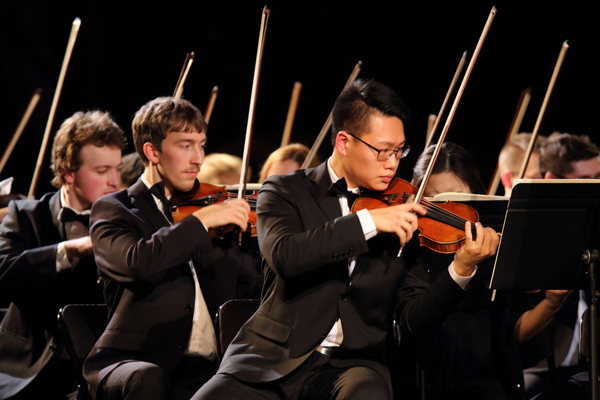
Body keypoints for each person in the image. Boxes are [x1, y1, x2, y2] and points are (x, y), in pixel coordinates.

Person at [193, 79, 499, 400]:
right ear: (343, 142)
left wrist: (461, 268)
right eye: (382, 150)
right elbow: (285, 254)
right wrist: (367, 222)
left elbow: (414, 320)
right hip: (270, 360)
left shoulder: (403, 210)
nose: (393, 163)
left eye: (400, 151)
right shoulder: (284, 190)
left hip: (352, 368)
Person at [82, 97, 263, 400]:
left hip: (212, 365)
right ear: (152, 151)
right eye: (185, 145)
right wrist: (201, 221)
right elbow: (138, 262)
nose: (198, 159)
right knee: (148, 377)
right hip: (136, 359)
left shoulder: (212, 211)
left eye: (201, 145)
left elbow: (250, 285)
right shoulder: (114, 209)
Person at [405, 142, 570, 400]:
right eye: (432, 199)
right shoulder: (413, 247)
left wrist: (551, 303)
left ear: (473, 192)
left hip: (488, 376)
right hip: (426, 374)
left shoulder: (494, 242)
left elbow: (517, 329)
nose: (442, 212)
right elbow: (416, 321)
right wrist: (462, 266)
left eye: (454, 197)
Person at [0, 110, 126, 399]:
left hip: (98, 365)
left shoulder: (126, 219)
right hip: (25, 367)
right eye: (102, 171)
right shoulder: (27, 215)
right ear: (67, 172)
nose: (115, 181)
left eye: (117, 168)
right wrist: (71, 248)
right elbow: (2, 270)